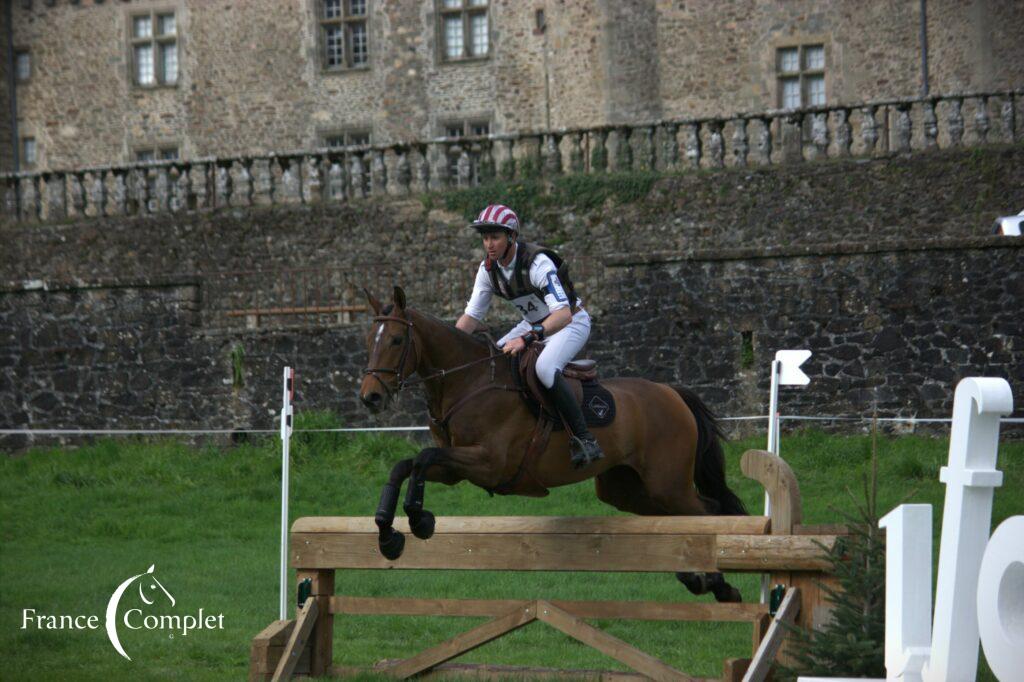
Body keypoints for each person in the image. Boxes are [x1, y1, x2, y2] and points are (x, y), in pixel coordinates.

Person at [455, 204, 604, 468]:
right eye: (485, 237)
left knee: (546, 368)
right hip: (534, 323)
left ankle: (585, 439)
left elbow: (562, 316)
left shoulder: (537, 263)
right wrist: (450, 347)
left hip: (571, 321)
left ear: (511, 237)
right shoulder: (487, 269)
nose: (489, 244)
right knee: (495, 359)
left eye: (495, 237)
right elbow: (471, 318)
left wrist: (526, 338)